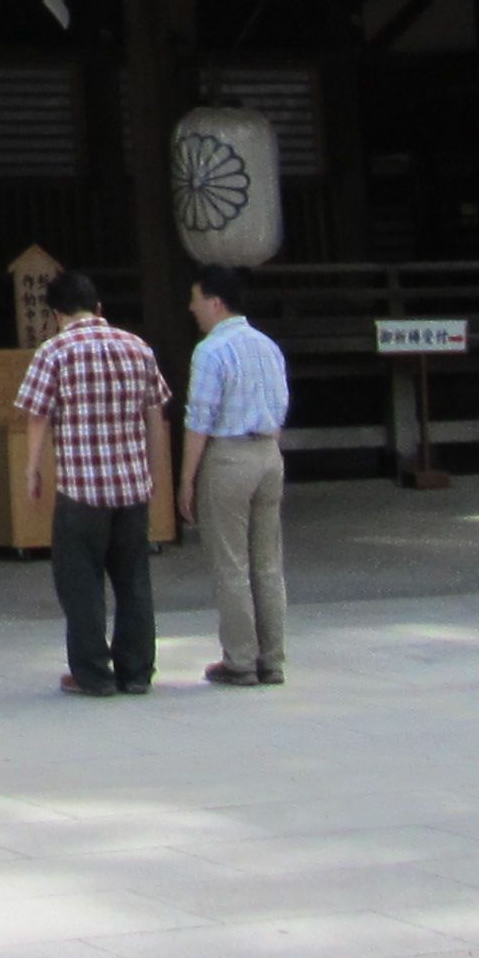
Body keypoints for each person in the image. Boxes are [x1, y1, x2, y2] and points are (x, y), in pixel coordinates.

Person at [15, 265, 172, 696]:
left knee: (80, 582)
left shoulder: (54, 351)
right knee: (133, 579)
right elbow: (156, 417)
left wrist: (32, 470)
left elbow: (37, 416)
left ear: (56, 314)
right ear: (99, 307)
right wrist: (157, 475)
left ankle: (93, 674)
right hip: (131, 486)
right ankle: (137, 671)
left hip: (81, 490)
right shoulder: (137, 347)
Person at [177, 264, 290, 687]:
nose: (192, 308)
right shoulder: (268, 346)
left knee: (231, 564)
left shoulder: (210, 351)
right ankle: (272, 657)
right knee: (267, 564)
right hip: (268, 453)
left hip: (229, 456)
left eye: (196, 299)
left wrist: (186, 478)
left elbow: (199, 419)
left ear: (215, 302)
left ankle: (241, 658)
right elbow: (281, 404)